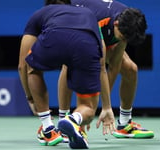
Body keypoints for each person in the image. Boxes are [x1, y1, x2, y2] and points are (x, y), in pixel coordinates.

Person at [18, 0, 115, 148]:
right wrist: (107, 106)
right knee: (88, 108)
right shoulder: (89, 14)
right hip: (86, 45)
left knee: (32, 68)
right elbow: (102, 61)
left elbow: (22, 66)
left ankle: (48, 128)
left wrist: (31, 99)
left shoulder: (42, 13)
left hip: (55, 37)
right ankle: (74, 119)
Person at [58, 0, 154, 139]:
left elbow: (114, 66)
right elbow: (99, 68)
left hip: (104, 31)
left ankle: (125, 124)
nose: (123, 40)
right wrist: (89, 110)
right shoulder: (97, 22)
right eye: (122, 37)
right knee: (69, 66)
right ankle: (65, 121)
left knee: (130, 69)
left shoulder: (128, 22)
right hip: (76, 25)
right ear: (116, 24)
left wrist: (106, 107)